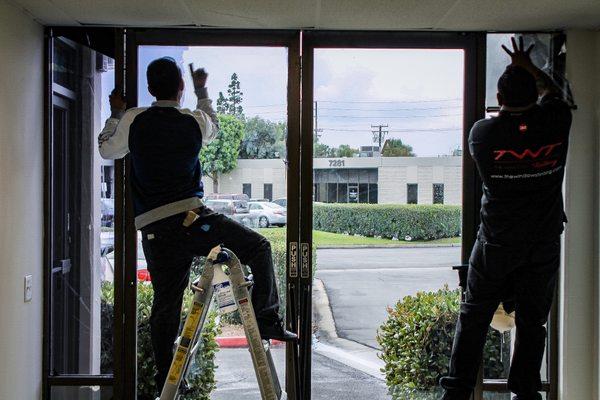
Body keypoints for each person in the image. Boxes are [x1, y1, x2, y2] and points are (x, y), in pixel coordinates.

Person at [98, 57, 296, 392]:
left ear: (149, 89)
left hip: (155, 229)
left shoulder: (133, 120)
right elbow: (213, 125)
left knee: (166, 303)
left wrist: (116, 112)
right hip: (192, 219)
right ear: (180, 88)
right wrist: (202, 90)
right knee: (259, 247)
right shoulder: (191, 121)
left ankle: (167, 378)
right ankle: (267, 320)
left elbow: (107, 150)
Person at [440, 38, 572, 400]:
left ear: (498, 100)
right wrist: (528, 66)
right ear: (535, 93)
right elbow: (561, 94)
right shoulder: (555, 123)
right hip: (542, 241)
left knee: (474, 317)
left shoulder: (483, 134)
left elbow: (550, 98)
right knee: (533, 323)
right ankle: (525, 392)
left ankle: (457, 392)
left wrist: (521, 71)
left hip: (497, 243)